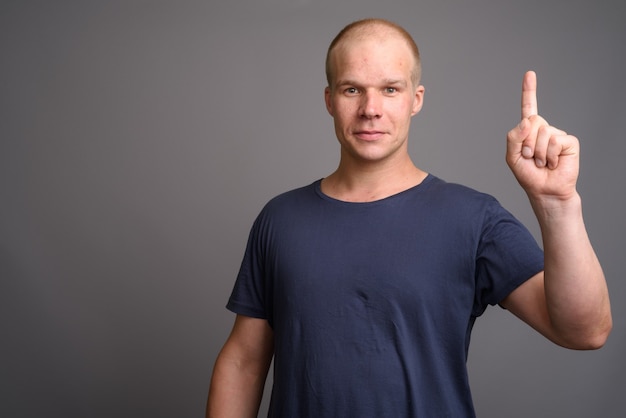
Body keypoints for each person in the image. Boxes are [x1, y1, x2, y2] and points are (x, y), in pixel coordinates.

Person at [206, 18, 612, 417]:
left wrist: (558, 203)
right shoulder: (280, 219)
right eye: (352, 90)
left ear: (415, 99)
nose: (370, 109)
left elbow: (585, 331)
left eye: (390, 89)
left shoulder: (472, 218)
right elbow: (244, 361)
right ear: (329, 100)